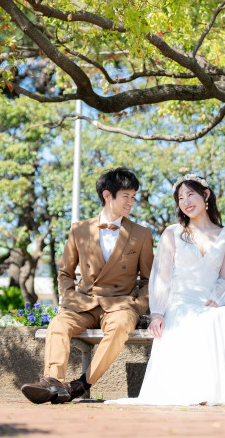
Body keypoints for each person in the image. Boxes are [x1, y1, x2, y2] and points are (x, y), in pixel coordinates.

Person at [108, 174, 225, 406]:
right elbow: (162, 277)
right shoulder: (173, 233)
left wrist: (216, 299)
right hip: (177, 306)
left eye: (190, 195)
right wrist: (157, 313)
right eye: (180, 198)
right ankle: (196, 391)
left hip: (206, 304)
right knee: (202, 319)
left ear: (205, 195)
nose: (185, 201)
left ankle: (221, 391)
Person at [20, 167, 154, 404]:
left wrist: (138, 306)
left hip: (120, 305)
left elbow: (147, 280)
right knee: (58, 323)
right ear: (107, 195)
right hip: (83, 302)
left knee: (120, 327)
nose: (131, 202)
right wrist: (68, 297)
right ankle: (52, 381)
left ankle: (81, 384)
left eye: (133, 197)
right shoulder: (79, 230)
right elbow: (65, 272)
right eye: (126, 196)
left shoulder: (141, 234)